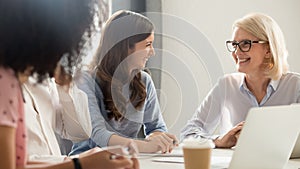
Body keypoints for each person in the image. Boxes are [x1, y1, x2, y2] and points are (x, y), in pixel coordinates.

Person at [0, 0, 139, 169]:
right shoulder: (6, 81)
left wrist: (83, 161)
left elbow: (77, 131)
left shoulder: (26, 79)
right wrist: (80, 164)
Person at [181, 13, 300, 148]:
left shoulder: (295, 87)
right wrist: (217, 141)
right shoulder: (226, 85)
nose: (236, 52)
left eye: (245, 44)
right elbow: (188, 133)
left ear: (268, 49)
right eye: (234, 44)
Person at [72, 10, 178, 154]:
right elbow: (97, 134)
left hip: (124, 160)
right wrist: (145, 146)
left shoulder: (144, 80)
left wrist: (157, 138)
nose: (152, 52)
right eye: (148, 44)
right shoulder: (85, 81)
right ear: (126, 46)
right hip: (88, 161)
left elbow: (156, 127)